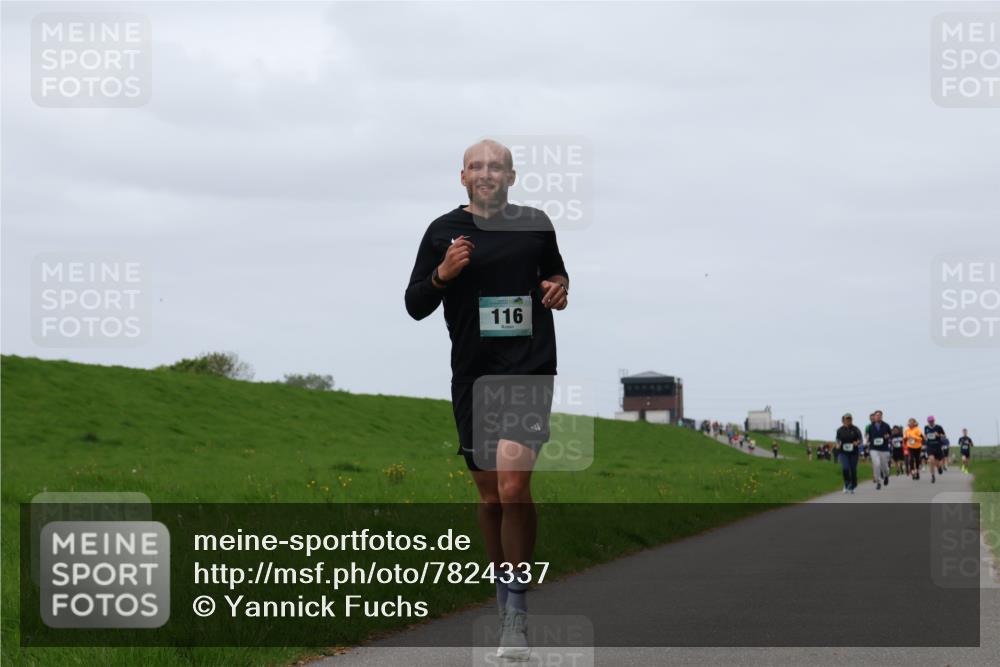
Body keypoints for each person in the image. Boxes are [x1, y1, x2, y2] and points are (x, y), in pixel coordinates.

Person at [405, 139, 570, 659]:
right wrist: (443, 274)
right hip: (473, 376)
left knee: (515, 485)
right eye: (476, 166)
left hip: (528, 369)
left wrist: (560, 287)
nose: (486, 173)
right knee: (491, 497)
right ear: (462, 177)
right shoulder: (441, 233)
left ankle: (517, 615)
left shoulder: (536, 224)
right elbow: (414, 305)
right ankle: (503, 602)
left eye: (495, 166)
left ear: (511, 176)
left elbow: (557, 274)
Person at [836, 413, 863, 494]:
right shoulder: (840, 430)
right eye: (846, 419)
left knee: (853, 469)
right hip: (843, 452)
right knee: (845, 468)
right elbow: (837, 439)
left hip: (853, 453)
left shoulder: (856, 429)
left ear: (852, 420)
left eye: (849, 419)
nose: (848, 420)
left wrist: (857, 442)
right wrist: (838, 444)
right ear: (843, 420)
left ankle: (853, 485)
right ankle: (846, 483)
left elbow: (860, 440)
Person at [866, 410, 892, 490]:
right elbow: (867, 436)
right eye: (877, 415)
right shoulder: (870, 427)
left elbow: (890, 435)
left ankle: (886, 476)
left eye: (880, 415)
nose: (878, 417)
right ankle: (878, 482)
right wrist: (867, 440)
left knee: (885, 467)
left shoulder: (886, 425)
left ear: (882, 416)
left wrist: (888, 436)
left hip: (884, 449)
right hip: (874, 449)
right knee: (876, 464)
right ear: (874, 417)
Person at [924, 416, 946, 482]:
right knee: (931, 460)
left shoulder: (939, 427)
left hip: (938, 446)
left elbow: (944, 436)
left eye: (932, 421)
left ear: (934, 420)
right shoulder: (926, 427)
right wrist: (925, 438)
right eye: (929, 421)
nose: (931, 422)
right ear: (928, 422)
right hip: (930, 446)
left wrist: (938, 435)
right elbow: (925, 435)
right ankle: (933, 476)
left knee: (937, 462)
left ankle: (939, 468)